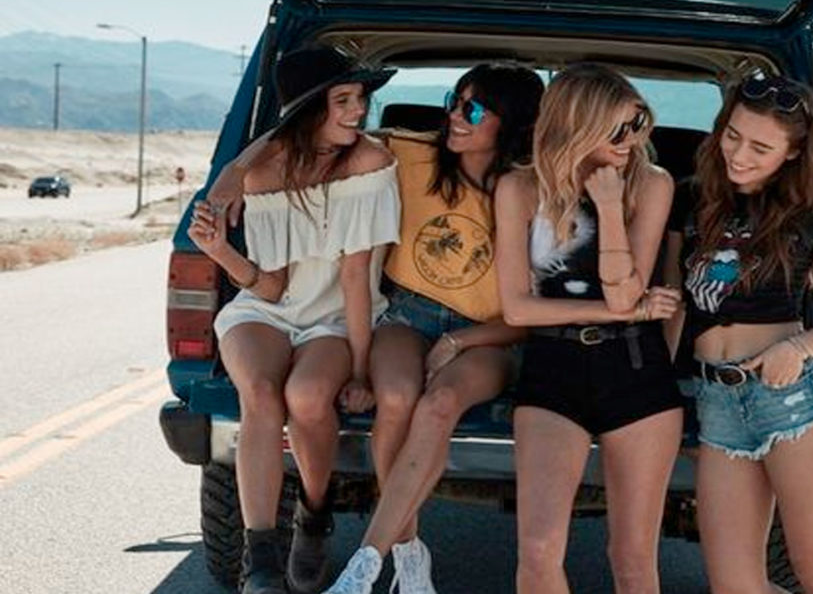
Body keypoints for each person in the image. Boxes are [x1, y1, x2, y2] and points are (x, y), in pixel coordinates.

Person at [319, 63, 545, 594]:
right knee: (396, 396)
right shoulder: (409, 153)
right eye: (453, 101)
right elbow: (322, 134)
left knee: (439, 403)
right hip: (409, 315)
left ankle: (364, 564)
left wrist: (457, 341)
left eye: (473, 109)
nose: (455, 117)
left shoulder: (531, 188)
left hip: (491, 332)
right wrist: (236, 172)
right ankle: (406, 554)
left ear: (512, 121)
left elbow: (525, 311)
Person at [189, 46, 401, 594]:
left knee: (306, 397)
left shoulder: (370, 162)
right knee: (260, 394)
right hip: (266, 309)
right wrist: (220, 252)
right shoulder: (265, 173)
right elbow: (271, 286)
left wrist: (361, 371)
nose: (359, 111)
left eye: (360, 98)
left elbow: (355, 279)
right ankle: (260, 559)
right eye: (343, 100)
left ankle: (313, 512)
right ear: (311, 110)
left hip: (335, 315)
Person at [494, 63, 684, 594]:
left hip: (635, 369)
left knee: (632, 560)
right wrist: (625, 311)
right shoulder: (519, 189)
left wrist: (608, 206)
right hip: (553, 367)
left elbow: (625, 292)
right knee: (537, 551)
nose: (632, 140)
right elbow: (517, 309)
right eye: (618, 130)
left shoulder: (652, 183)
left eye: (638, 124)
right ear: (576, 126)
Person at [671, 74, 813, 594]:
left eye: (760, 148)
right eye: (732, 136)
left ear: (794, 151)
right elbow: (674, 305)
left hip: (795, 401)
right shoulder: (692, 200)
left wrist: (796, 347)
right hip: (717, 403)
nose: (739, 155)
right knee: (733, 585)